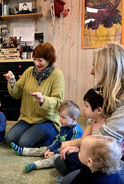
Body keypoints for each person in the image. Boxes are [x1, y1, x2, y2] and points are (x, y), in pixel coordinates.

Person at [56, 43, 124, 183]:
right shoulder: (106, 90)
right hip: (99, 152)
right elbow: (91, 119)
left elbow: (105, 139)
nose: (92, 72)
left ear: (109, 71)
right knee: (61, 160)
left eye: (95, 67)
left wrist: (76, 144)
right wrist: (78, 147)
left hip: (114, 159)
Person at [4, 42, 65, 148]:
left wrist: (43, 100)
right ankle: (34, 134)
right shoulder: (28, 72)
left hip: (47, 120)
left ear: (49, 60)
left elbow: (58, 102)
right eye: (35, 59)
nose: (36, 63)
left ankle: (54, 137)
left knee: (24, 143)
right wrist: (12, 82)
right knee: (9, 139)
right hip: (27, 118)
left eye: (40, 60)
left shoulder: (57, 75)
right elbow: (17, 94)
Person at [10, 100, 83, 173]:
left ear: (74, 119)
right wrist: (50, 149)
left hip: (67, 153)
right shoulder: (64, 125)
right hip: (59, 148)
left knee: (53, 158)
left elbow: (67, 150)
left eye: (63, 118)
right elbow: (58, 140)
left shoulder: (76, 132)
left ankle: (35, 165)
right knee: (44, 148)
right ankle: (23, 151)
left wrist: (53, 153)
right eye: (60, 116)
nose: (60, 120)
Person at [54, 88, 106, 175]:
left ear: (99, 110)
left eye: (86, 106)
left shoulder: (104, 126)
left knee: (67, 160)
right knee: (64, 158)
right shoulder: (93, 121)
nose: (83, 109)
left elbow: (97, 151)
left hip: (97, 158)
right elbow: (84, 141)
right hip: (88, 152)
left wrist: (79, 150)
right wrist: (77, 148)